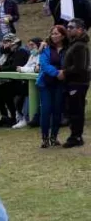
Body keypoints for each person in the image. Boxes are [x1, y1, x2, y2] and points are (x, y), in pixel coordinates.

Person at [37, 25, 68, 147]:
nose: (54, 36)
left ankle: (54, 137)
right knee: (46, 110)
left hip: (60, 84)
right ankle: (44, 138)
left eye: (56, 33)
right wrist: (57, 73)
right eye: (52, 33)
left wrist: (64, 72)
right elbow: (44, 64)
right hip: (46, 83)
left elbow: (70, 63)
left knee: (57, 111)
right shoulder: (46, 48)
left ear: (63, 35)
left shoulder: (68, 48)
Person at [62, 18, 89, 148]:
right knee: (73, 110)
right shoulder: (74, 43)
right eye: (67, 27)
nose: (68, 29)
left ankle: (76, 137)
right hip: (74, 82)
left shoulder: (80, 46)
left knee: (76, 111)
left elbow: (80, 67)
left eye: (71, 27)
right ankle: (75, 135)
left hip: (78, 82)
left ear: (80, 29)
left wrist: (64, 72)